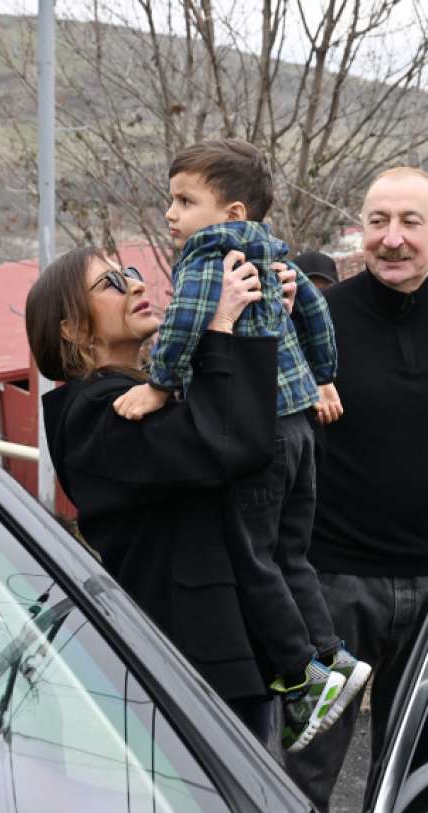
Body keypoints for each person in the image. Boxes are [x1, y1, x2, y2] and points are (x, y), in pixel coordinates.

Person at [113, 139, 369, 753]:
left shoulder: (209, 257)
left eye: (185, 201)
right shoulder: (274, 254)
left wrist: (158, 384)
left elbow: (183, 324)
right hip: (300, 427)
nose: (171, 213)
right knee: (290, 554)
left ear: (230, 213)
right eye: (171, 200)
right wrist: (323, 375)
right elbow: (317, 315)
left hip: (263, 430)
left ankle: (303, 678)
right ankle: (332, 655)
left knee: (252, 557)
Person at [283, 166, 428, 813]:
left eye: (411, 222)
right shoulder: (313, 321)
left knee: (419, 784)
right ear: (360, 230)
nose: (392, 238)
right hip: (326, 592)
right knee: (299, 773)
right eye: (378, 221)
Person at [28, 246, 286, 741]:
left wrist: (266, 321)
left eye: (129, 272)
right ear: (73, 330)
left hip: (215, 654)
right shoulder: (95, 415)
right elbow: (229, 445)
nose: (136, 284)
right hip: (190, 663)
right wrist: (222, 327)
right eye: (110, 283)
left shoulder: (138, 395)